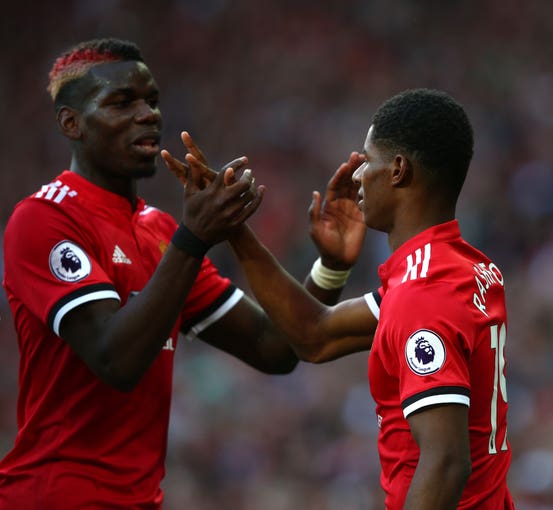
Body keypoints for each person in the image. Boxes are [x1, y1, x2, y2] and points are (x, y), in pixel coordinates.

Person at [0, 38, 364, 509]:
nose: (148, 114)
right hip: (52, 497)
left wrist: (330, 267)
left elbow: (274, 347)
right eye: (121, 102)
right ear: (72, 123)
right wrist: (193, 238)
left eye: (151, 101)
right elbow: (116, 361)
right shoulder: (44, 220)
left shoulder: (157, 231)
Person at [174, 89, 515, 509]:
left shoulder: (422, 292)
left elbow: (446, 462)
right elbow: (314, 335)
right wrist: (234, 229)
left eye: (368, 160)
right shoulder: (463, 267)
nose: (356, 174)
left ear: (398, 171)